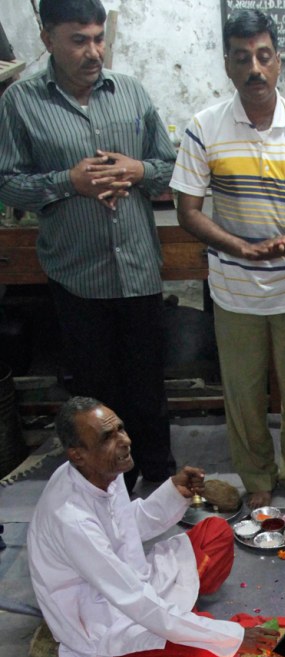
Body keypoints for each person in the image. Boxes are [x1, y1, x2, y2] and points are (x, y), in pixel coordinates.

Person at [0, 0, 176, 493]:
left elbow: (169, 164)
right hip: (78, 276)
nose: (93, 51)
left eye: (98, 38)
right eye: (79, 40)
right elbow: (8, 183)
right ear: (47, 38)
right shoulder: (21, 103)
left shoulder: (131, 93)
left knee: (148, 392)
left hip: (138, 270)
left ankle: (162, 485)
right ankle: (107, 494)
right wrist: (68, 181)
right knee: (96, 398)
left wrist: (138, 170)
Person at [171, 8, 285, 511]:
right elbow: (187, 210)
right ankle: (258, 477)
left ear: (279, 61)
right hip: (235, 290)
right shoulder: (204, 128)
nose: (255, 69)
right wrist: (237, 246)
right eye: (243, 58)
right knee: (243, 395)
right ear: (228, 64)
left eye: (264, 56)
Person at [27, 396, 272, 657]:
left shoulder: (102, 470)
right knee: (205, 653)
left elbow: (126, 527)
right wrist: (231, 636)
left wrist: (172, 492)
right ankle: (127, 648)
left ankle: (178, 620)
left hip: (130, 579)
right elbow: (131, 598)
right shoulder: (71, 519)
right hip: (103, 612)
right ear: (77, 454)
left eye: (120, 429)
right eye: (108, 437)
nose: (124, 441)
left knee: (217, 532)